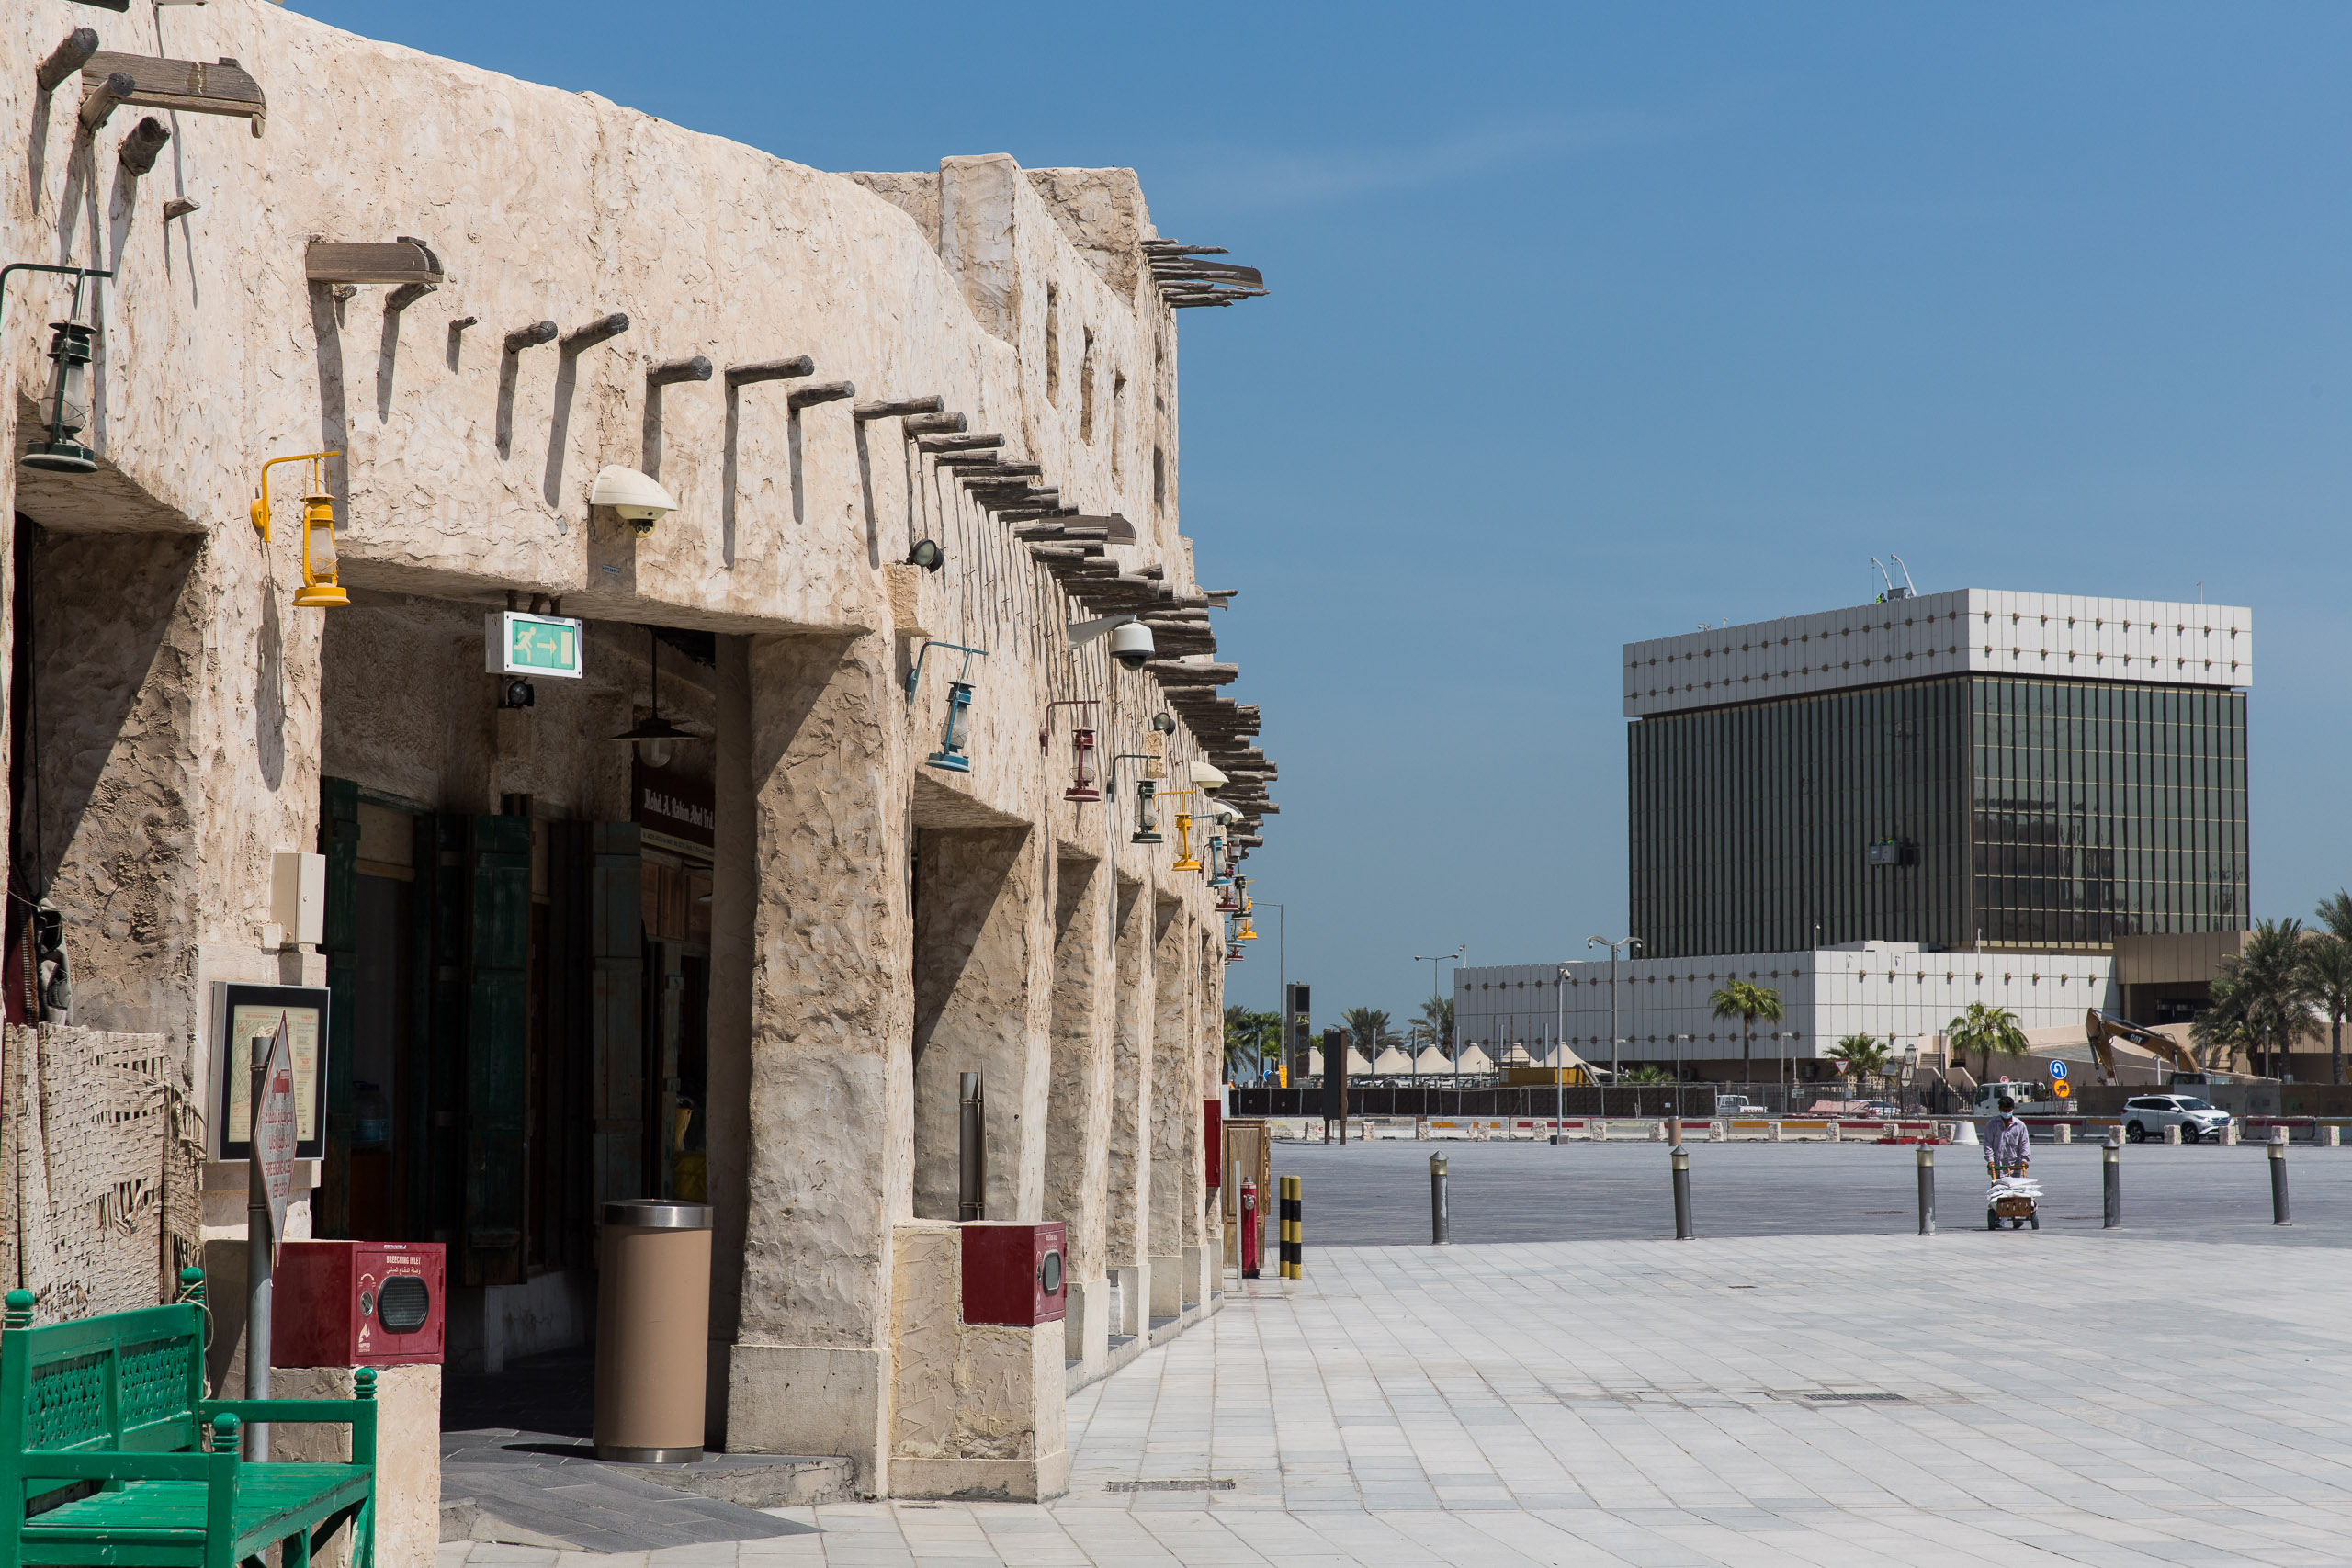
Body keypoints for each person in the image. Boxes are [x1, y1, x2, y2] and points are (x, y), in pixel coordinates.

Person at [1984, 1095, 2031, 1176]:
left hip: (2015, 1166)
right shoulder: (1992, 1124)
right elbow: (1988, 1143)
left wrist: (2024, 1159)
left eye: (2009, 1110)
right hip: (1997, 1166)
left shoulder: (2019, 1125)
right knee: (1998, 1187)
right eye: (2004, 1110)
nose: (2006, 1112)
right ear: (2000, 1109)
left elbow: (2024, 1143)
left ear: (2013, 1109)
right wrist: (1990, 1160)